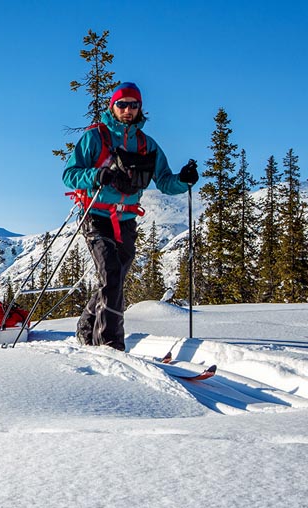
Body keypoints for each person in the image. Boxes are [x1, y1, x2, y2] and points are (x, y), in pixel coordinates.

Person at [62, 82, 198, 351]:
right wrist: (95, 175)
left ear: (140, 109)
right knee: (111, 275)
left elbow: (165, 182)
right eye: (122, 104)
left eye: (133, 105)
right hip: (95, 216)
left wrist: (184, 180)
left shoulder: (147, 145)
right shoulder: (95, 138)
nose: (127, 110)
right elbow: (69, 175)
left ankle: (87, 326)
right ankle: (111, 345)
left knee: (113, 281)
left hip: (127, 220)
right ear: (112, 106)